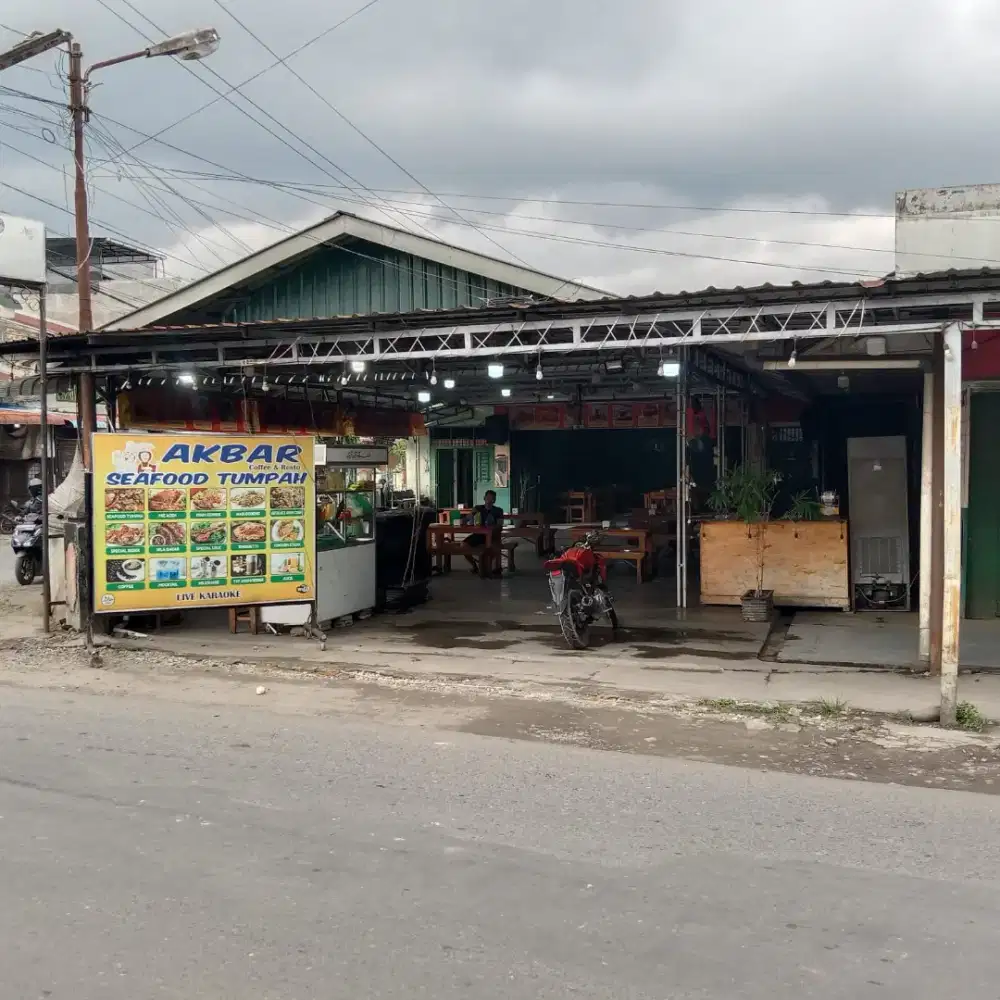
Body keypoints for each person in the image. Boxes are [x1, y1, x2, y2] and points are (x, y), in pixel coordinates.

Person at [464, 489, 504, 576]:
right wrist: (466, 518)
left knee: (493, 548)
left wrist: (493, 528)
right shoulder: (478, 508)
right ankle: (475, 566)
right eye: (488, 497)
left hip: (492, 535)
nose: (489, 500)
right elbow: (468, 518)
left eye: (492, 498)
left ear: (494, 500)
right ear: (484, 498)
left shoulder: (498, 510)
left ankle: (489, 568)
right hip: (479, 535)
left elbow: (500, 524)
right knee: (464, 546)